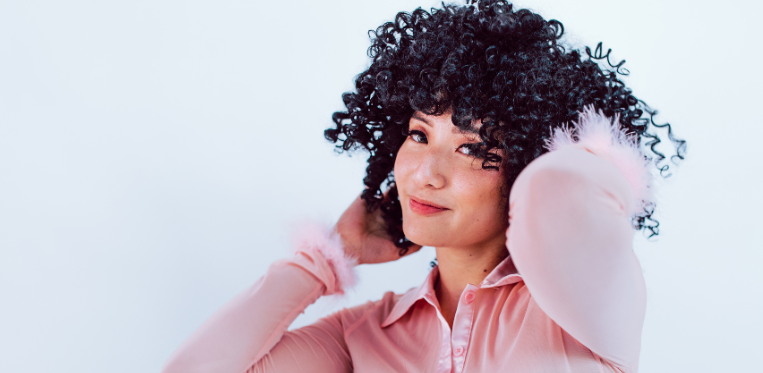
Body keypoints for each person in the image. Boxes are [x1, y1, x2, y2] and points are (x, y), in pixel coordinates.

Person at [161, 0, 686, 372]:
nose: (424, 173)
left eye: (473, 148)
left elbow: (563, 191)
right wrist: (326, 258)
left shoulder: (585, 303)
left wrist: (575, 146)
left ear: (526, 162)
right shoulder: (366, 336)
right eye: (418, 134)